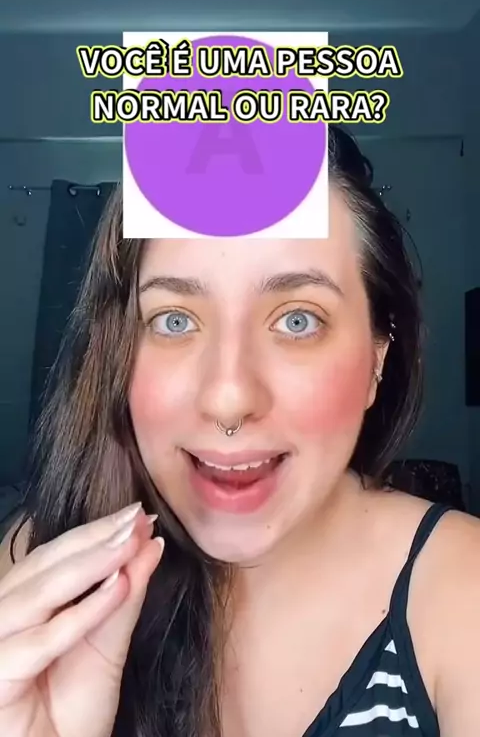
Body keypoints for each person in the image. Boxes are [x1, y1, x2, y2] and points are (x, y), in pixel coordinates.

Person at [0, 127, 479, 737]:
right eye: (174, 320)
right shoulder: (41, 568)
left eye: (298, 320)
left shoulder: (462, 592)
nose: (228, 398)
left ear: (377, 359)